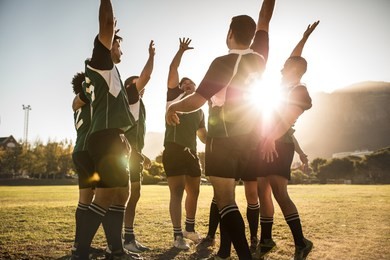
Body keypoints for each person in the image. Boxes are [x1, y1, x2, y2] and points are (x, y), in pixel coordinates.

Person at [166, 1, 275, 258]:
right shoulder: (260, 56)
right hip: (250, 138)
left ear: (229, 34)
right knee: (230, 200)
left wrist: (172, 108)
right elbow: (265, 17)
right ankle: (227, 251)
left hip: (224, 137)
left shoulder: (223, 61)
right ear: (251, 35)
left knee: (226, 200)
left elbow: (197, 100)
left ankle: (243, 256)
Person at [71, 1, 141, 259]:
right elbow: (106, 23)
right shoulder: (101, 63)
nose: (121, 48)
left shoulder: (112, 72)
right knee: (104, 197)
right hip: (104, 138)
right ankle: (80, 251)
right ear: (110, 44)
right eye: (118, 43)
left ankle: (116, 249)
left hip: (113, 137)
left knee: (122, 193)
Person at [254, 20, 320, 260]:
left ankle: (301, 242)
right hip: (266, 141)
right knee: (263, 190)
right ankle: (266, 239)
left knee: (279, 192)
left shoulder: (299, 90)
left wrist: (270, 138)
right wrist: (304, 37)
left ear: (295, 70)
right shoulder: (284, 84)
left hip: (279, 144)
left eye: (285, 66)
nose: (281, 68)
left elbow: (287, 120)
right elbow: (295, 58)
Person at [163, 37, 207, 250]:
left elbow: (203, 136)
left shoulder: (199, 109)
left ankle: (189, 229)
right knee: (177, 192)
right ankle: (177, 236)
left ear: (197, 88)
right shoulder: (174, 96)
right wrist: (180, 51)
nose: (187, 85)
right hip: (173, 150)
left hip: (192, 154)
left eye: (191, 84)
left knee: (195, 192)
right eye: (184, 83)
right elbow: (173, 67)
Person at [123, 40, 155, 253]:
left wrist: (142, 155)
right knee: (122, 196)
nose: (142, 86)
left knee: (133, 195)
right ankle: (118, 241)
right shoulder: (130, 95)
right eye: (137, 83)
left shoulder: (139, 104)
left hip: (135, 155)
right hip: (124, 156)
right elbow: (146, 77)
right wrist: (151, 56)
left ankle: (128, 238)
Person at [70, 72, 98, 258]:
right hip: (89, 152)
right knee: (105, 196)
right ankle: (83, 244)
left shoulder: (80, 103)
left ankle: (79, 243)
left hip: (80, 150)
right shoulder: (87, 96)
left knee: (85, 201)